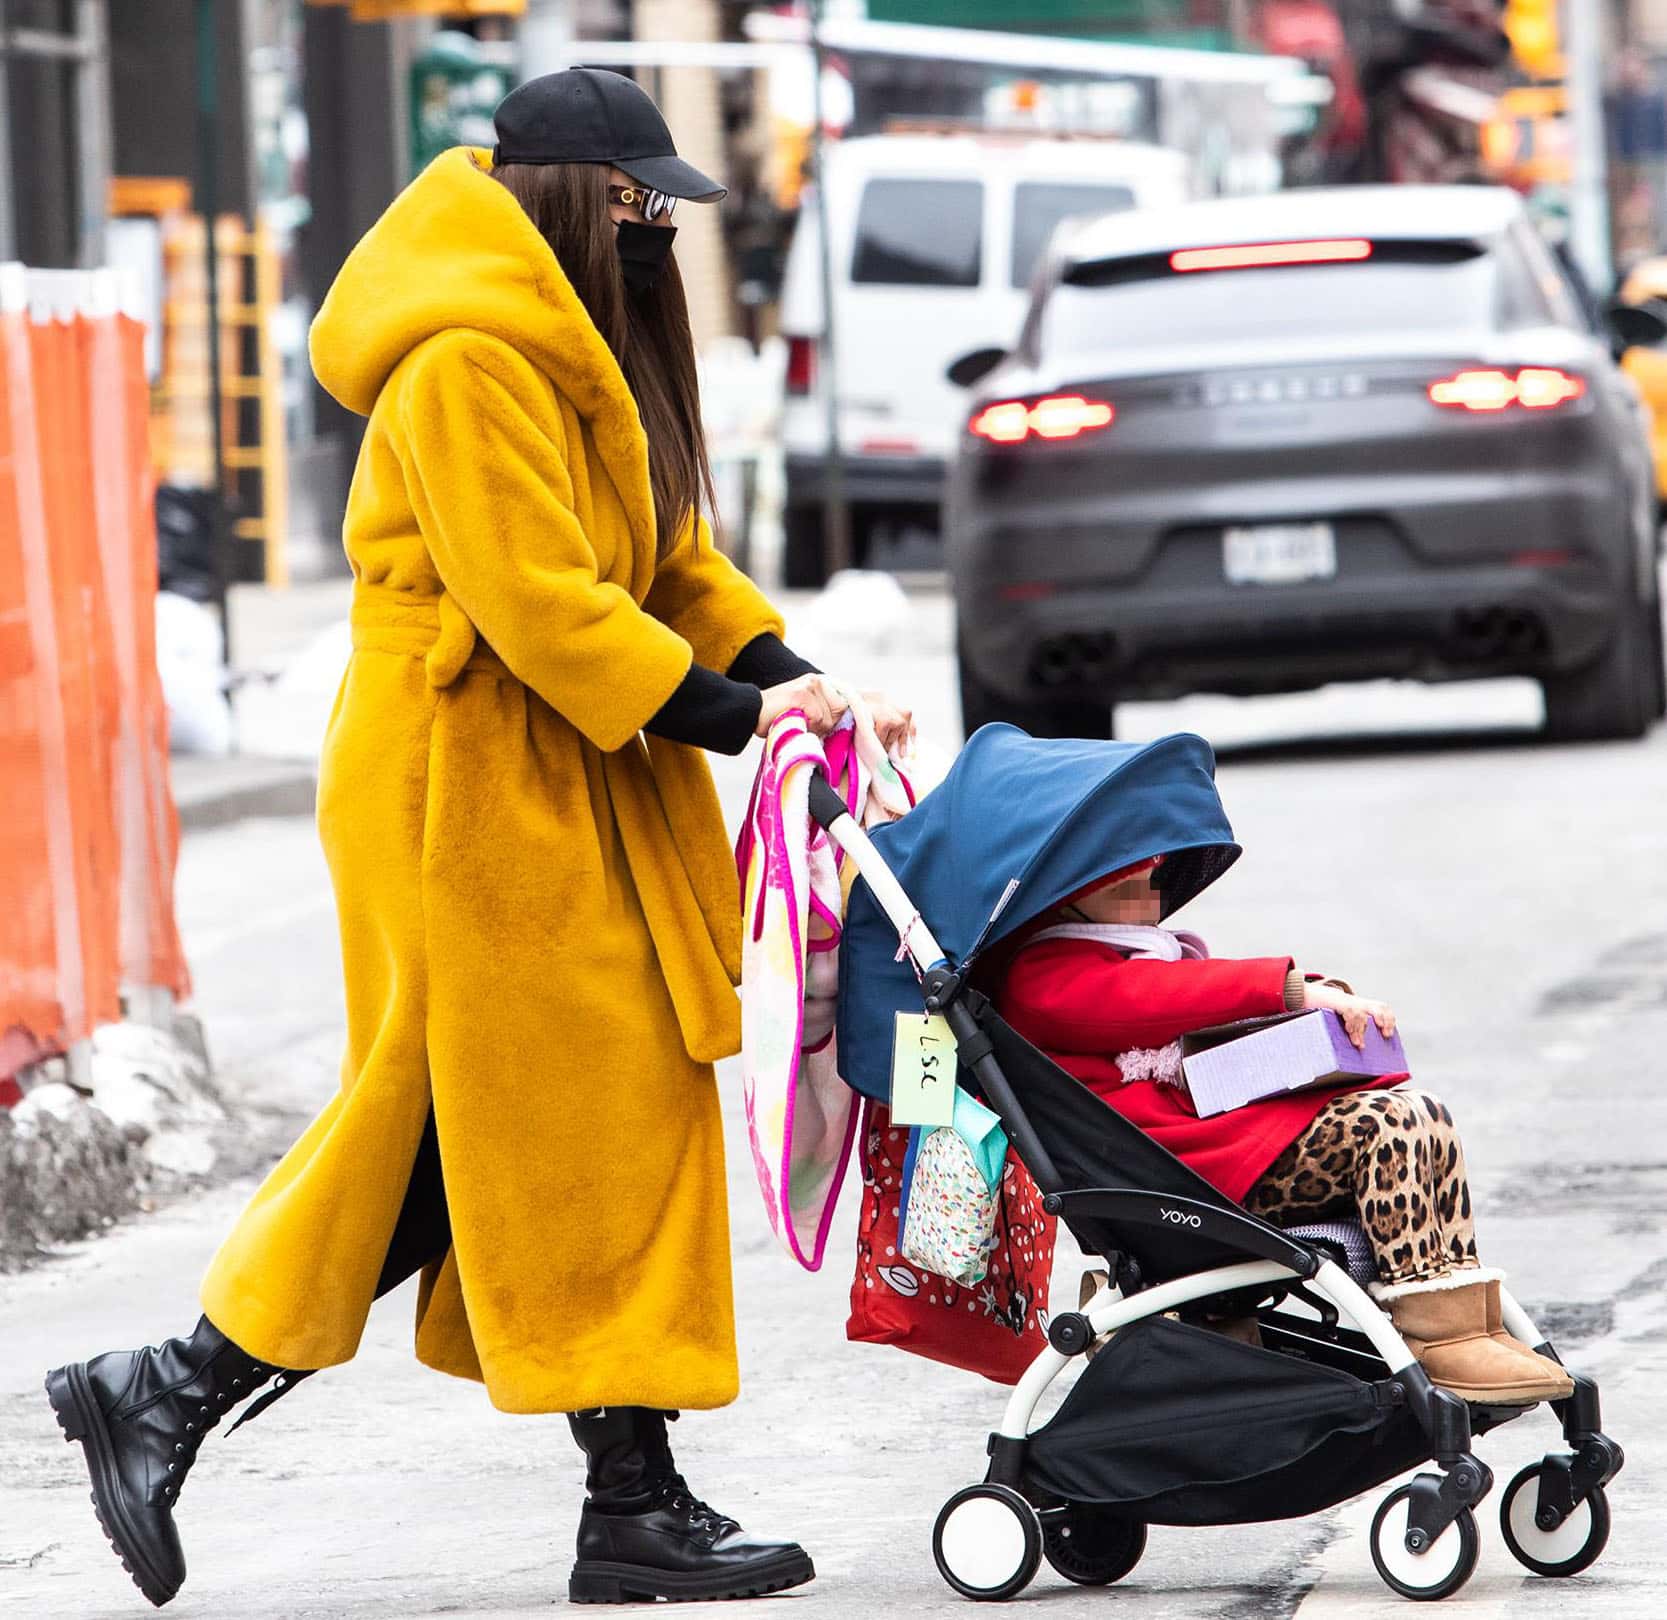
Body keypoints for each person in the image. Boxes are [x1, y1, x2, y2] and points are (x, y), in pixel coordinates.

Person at [45, 69, 910, 1611]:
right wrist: (733, 723)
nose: (657, 233)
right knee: (477, 1122)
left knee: (580, 1119)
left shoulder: (570, 350)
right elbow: (540, 603)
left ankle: (615, 1499)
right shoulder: (462, 359)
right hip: (458, 783)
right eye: (641, 205)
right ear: (581, 199)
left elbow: (664, 557)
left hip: (561, 770)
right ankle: (175, 1387)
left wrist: (785, 676)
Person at [995, 853, 1574, 1406]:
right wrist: (1291, 989)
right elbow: (1160, 998)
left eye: (1149, 861)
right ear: (1067, 888)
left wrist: (1324, 1000)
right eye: (1122, 870)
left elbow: (1196, 997)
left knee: (1426, 1113)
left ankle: (1462, 1315)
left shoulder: (1136, 951)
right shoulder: (1040, 974)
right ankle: (1438, 1336)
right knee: (1387, 1126)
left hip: (1217, 1154)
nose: (1150, 870)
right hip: (1178, 1178)